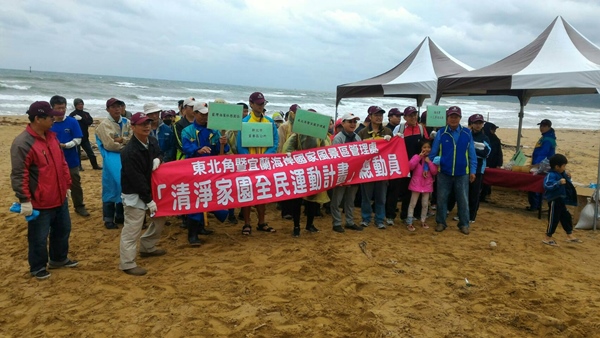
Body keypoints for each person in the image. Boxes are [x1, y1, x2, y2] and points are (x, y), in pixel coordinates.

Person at [10, 101, 78, 280]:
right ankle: (38, 267)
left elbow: (62, 163)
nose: (54, 119)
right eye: (50, 117)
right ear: (38, 119)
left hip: (59, 196)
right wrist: (24, 199)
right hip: (40, 201)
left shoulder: (52, 137)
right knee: (39, 237)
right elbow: (19, 174)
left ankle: (59, 259)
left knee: (63, 229)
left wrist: (67, 185)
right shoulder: (23, 143)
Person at [119, 112, 167, 276]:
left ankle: (148, 246)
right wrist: (148, 200)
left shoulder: (151, 141)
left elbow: (161, 153)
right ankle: (127, 263)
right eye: (142, 124)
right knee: (132, 229)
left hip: (152, 190)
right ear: (133, 127)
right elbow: (136, 179)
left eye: (148, 123)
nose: (147, 126)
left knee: (159, 220)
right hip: (135, 193)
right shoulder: (129, 151)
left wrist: (158, 159)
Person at [181, 101, 230, 244]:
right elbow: (186, 147)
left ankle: (201, 227)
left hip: (210, 171)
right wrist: (197, 150)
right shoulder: (188, 131)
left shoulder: (214, 131)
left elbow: (220, 152)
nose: (204, 117)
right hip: (194, 171)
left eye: (207, 114)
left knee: (208, 197)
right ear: (195, 114)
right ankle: (192, 235)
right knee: (196, 200)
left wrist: (223, 143)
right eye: (202, 114)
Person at [429, 106, 476, 235]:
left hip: (462, 173)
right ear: (447, 118)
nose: (453, 119)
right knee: (442, 198)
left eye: (456, 116)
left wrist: (473, 170)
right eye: (451, 116)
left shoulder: (467, 133)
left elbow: (472, 153)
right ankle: (440, 222)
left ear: (460, 118)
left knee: (463, 199)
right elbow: (433, 153)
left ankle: (464, 224)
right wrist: (430, 167)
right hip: (444, 172)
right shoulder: (441, 133)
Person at [236, 92, 279, 235]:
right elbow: (239, 145)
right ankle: (247, 223)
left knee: (262, 192)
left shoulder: (270, 122)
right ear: (251, 104)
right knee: (247, 193)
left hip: (264, 164)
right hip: (248, 164)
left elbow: (275, 142)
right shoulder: (244, 122)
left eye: (263, 103)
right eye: (258, 103)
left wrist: (266, 156)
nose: (261, 106)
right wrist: (250, 159)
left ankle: (261, 222)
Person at [387, 106, 429, 225]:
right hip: (400, 165)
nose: (413, 117)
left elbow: (426, 146)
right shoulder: (399, 128)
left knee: (409, 191)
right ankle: (390, 216)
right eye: (410, 115)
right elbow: (391, 145)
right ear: (405, 117)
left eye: (415, 115)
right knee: (394, 190)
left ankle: (405, 215)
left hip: (415, 165)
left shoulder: (421, 128)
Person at [50, 95, 90, 217]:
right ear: (52, 108)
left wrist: (65, 145)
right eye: (58, 108)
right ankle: (56, 207)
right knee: (54, 184)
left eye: (63, 108)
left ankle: (79, 206)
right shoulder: (48, 122)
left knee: (75, 183)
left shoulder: (72, 121)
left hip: (71, 159)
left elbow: (78, 139)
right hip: (52, 161)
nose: (61, 111)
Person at [96, 98, 131, 229]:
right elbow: (110, 144)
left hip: (126, 158)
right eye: (113, 107)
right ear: (108, 109)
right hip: (111, 159)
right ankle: (108, 218)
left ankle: (120, 216)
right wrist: (126, 144)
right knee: (111, 187)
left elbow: (133, 138)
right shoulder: (103, 126)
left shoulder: (127, 122)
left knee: (124, 186)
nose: (117, 109)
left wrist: (121, 139)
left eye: (119, 106)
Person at [357, 106, 393, 229]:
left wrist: (393, 140)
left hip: (382, 169)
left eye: (381, 115)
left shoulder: (388, 132)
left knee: (381, 197)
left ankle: (379, 220)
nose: (379, 117)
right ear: (370, 116)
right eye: (376, 115)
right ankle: (366, 218)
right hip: (367, 170)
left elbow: (393, 150)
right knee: (366, 197)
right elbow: (358, 151)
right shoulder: (362, 132)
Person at [330, 113, 363, 233]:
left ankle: (349, 222)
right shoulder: (338, 138)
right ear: (343, 123)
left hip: (354, 174)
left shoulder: (357, 137)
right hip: (342, 174)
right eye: (350, 121)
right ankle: (337, 223)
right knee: (337, 200)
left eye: (354, 122)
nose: (353, 124)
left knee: (350, 200)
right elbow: (336, 157)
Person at [541, 154, 580, 246]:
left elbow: (567, 183)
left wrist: (568, 177)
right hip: (554, 199)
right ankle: (548, 237)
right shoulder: (551, 175)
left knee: (566, 216)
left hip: (561, 199)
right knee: (554, 219)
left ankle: (569, 235)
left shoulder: (561, 174)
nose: (564, 168)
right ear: (557, 166)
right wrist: (558, 183)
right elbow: (547, 185)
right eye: (563, 166)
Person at [461, 114, 490, 223]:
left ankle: (471, 216)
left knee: (474, 193)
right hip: (464, 167)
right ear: (471, 124)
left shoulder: (485, 138)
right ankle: (463, 214)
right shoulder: (466, 135)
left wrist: (472, 150)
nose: (478, 125)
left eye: (480, 123)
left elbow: (486, 153)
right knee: (464, 193)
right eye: (475, 123)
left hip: (478, 169)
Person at [406, 139, 438, 231]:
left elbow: (434, 172)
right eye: (424, 147)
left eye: (428, 147)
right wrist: (419, 157)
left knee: (425, 204)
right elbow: (410, 166)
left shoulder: (432, 159)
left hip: (427, 185)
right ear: (420, 148)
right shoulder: (416, 156)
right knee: (413, 203)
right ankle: (409, 222)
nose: (427, 149)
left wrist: (429, 162)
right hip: (416, 184)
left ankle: (423, 221)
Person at [527, 119, 557, 211]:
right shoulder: (544, 137)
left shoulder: (548, 139)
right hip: (539, 163)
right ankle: (536, 204)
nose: (542, 128)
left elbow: (543, 154)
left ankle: (535, 205)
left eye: (544, 126)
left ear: (549, 127)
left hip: (543, 166)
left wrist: (537, 164)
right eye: (541, 126)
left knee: (535, 184)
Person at [69, 98, 102, 170]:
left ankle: (95, 166)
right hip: (76, 137)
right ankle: (79, 167)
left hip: (85, 137)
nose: (80, 106)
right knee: (77, 154)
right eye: (78, 104)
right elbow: (69, 125)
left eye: (81, 104)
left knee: (90, 153)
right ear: (75, 105)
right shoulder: (72, 115)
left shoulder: (86, 114)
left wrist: (81, 119)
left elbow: (89, 122)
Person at [480, 122, 503, 202]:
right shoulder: (482, 138)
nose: (494, 131)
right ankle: (482, 196)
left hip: (492, 163)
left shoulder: (495, 139)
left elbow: (499, 152)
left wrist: (499, 164)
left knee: (488, 181)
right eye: (493, 129)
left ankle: (485, 195)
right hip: (483, 163)